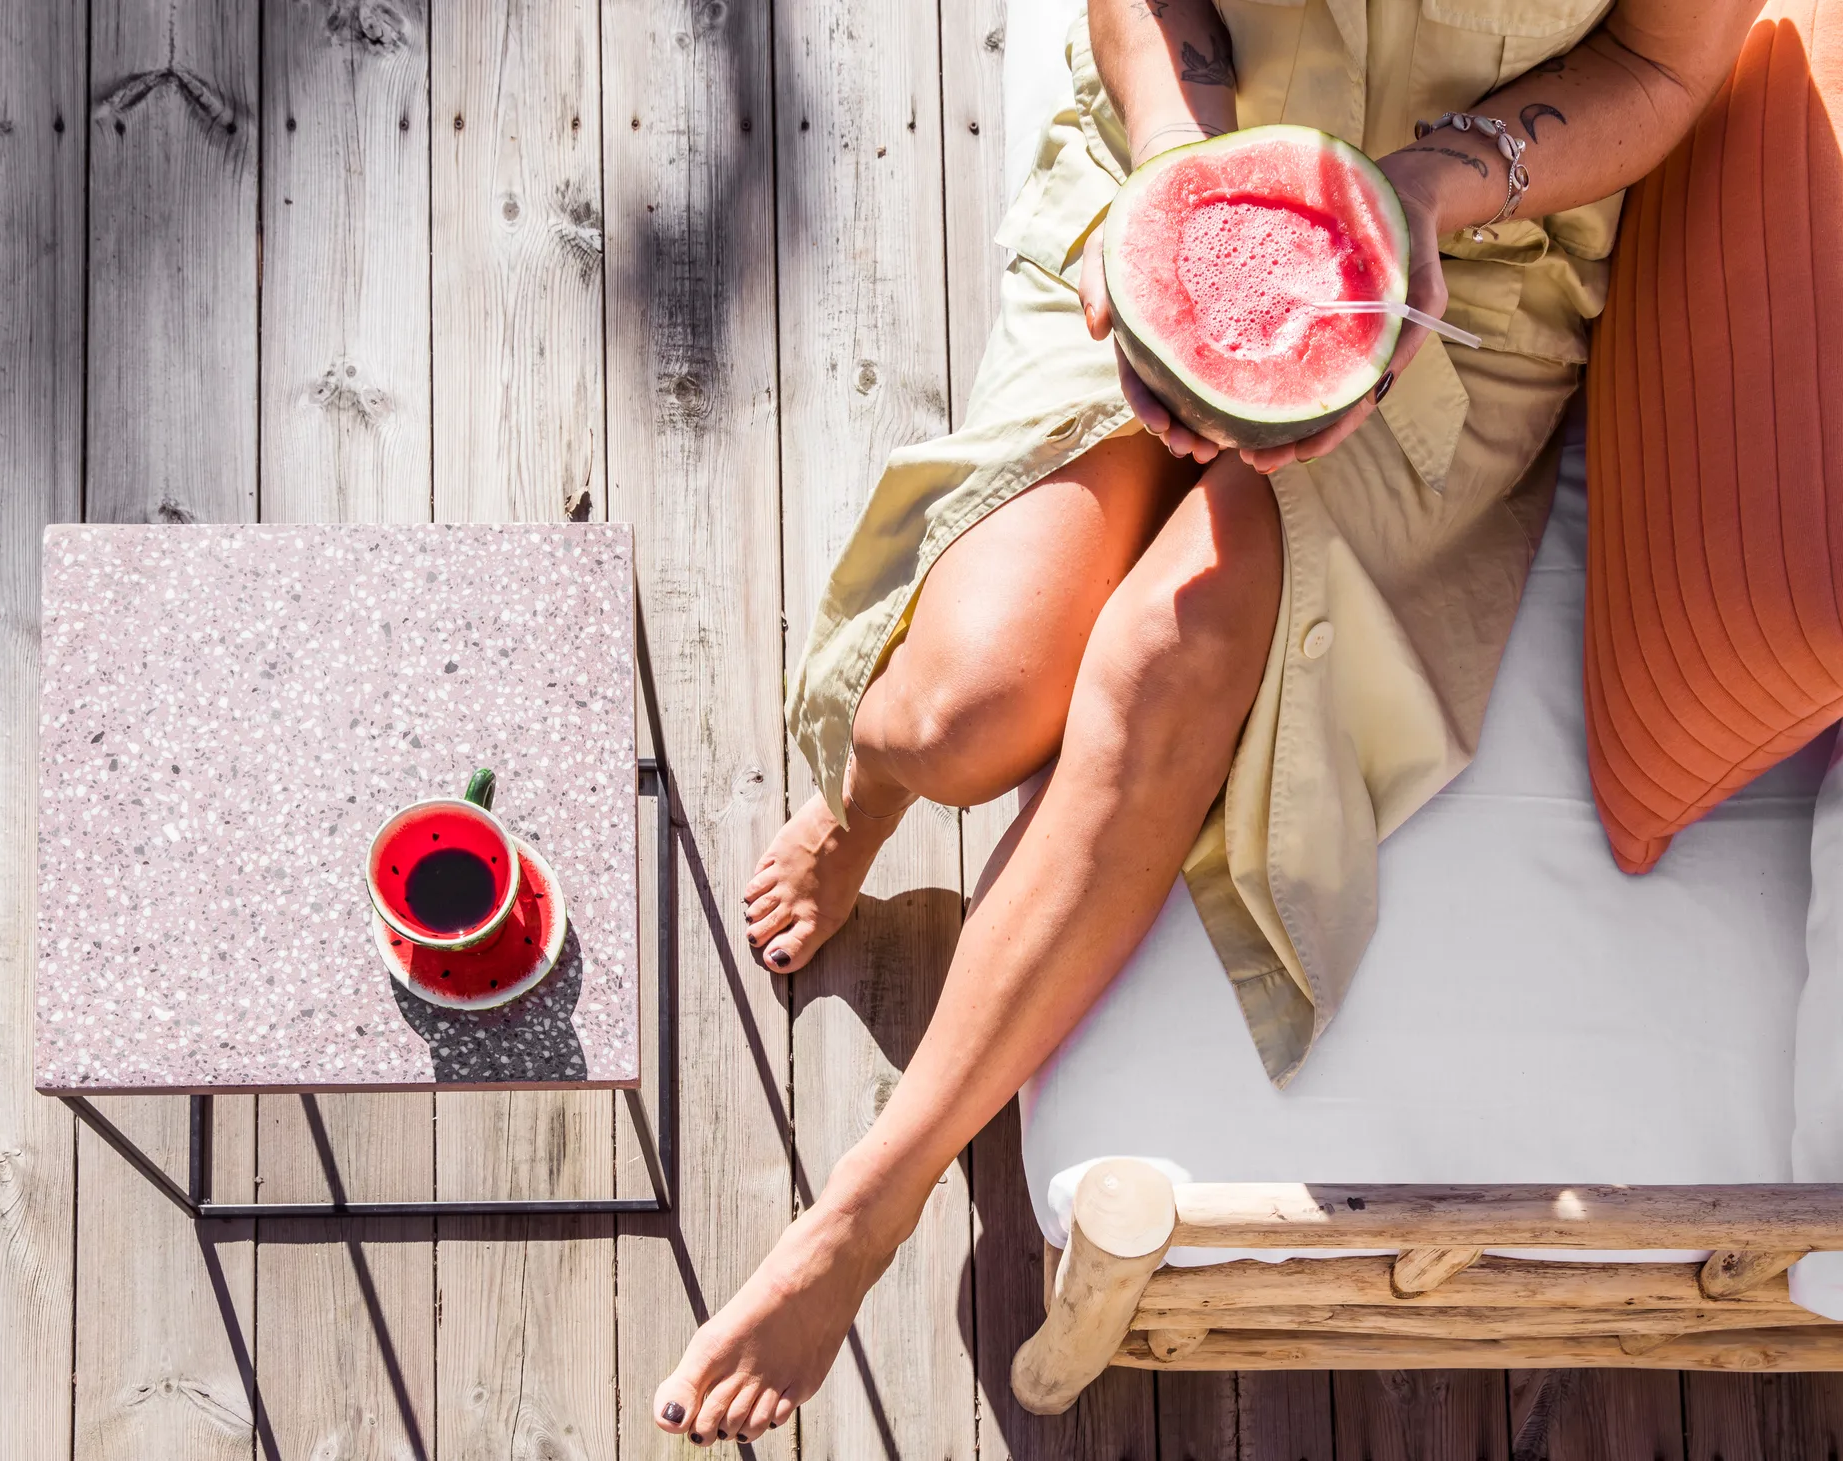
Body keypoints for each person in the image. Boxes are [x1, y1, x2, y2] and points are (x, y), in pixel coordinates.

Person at [655, 0, 1764, 1444]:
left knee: (1176, 651)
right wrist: (1177, 170)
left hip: (1464, 273)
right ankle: (863, 809)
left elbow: (1667, 62)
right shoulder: (1169, 161)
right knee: (952, 718)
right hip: (1172, 156)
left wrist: (1430, 186)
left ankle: (867, 1204)